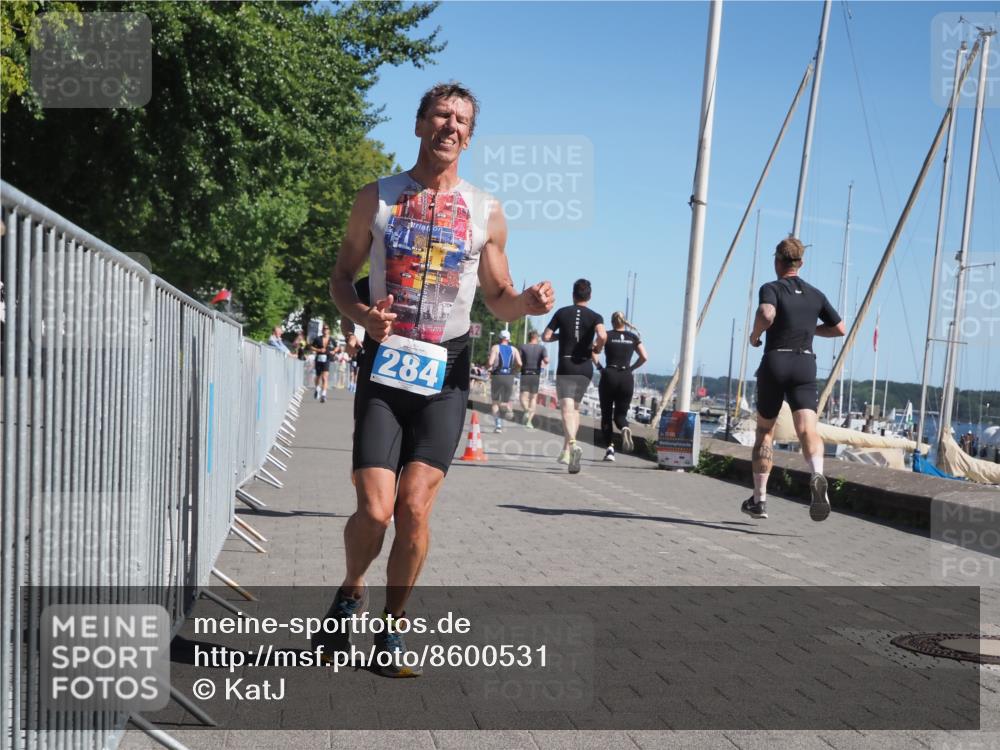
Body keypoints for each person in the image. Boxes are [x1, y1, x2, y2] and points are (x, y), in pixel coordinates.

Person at [326, 82, 554, 676]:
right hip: (386, 365)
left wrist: (525, 304)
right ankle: (351, 588)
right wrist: (360, 317)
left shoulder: (487, 212)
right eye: (441, 116)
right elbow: (341, 278)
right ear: (420, 124)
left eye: (462, 121)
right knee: (375, 511)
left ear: (470, 137)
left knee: (415, 509)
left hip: (446, 373)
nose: (450, 127)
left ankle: (392, 633)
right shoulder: (374, 198)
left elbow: (498, 299)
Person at [744, 237, 845, 522]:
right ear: (801, 263)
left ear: (778, 261)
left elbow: (766, 313)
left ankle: (759, 499)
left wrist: (755, 335)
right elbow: (839, 328)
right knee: (808, 429)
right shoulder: (815, 294)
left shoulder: (772, 287)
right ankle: (816, 475)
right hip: (804, 363)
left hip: (777, 360)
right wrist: (811, 330)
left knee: (765, 431)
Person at [543, 278, 606, 474]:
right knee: (576, 408)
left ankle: (572, 444)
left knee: (566, 409)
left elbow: (546, 336)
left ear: (573, 294)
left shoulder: (562, 313)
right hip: (585, 366)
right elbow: (603, 336)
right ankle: (567, 451)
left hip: (567, 363)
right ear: (590, 296)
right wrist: (597, 347)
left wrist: (561, 336)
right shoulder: (596, 316)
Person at [595, 312, 648, 462]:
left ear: (611, 322)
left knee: (606, 414)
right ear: (624, 322)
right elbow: (644, 357)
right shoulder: (633, 337)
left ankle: (610, 449)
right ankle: (624, 427)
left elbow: (593, 352)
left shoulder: (606, 335)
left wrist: (599, 367)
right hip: (626, 377)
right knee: (620, 416)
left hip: (609, 375)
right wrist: (631, 368)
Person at [487, 329, 521, 432]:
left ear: (500, 338)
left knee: (495, 402)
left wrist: (487, 366)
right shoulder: (514, 349)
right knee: (505, 401)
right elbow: (520, 363)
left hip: (497, 376)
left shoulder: (495, 348)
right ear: (508, 339)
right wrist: (514, 369)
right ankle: (508, 410)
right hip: (509, 377)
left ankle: (498, 425)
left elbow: (490, 362)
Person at [517, 331, 548, 430]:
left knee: (523, 396)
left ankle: (526, 410)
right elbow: (546, 360)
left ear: (529, 337)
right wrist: (543, 363)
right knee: (533, 398)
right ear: (537, 337)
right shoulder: (542, 348)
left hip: (525, 373)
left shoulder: (523, 347)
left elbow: (518, 361)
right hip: (535, 374)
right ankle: (529, 421)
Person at [311, 324, 336, 402]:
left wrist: (334, 351)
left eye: (327, 328)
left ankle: (323, 395)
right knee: (318, 376)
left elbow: (337, 347)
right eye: (324, 329)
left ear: (329, 330)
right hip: (318, 359)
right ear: (322, 330)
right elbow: (311, 347)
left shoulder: (332, 340)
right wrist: (318, 350)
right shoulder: (318, 339)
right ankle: (317, 388)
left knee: (325, 378)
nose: (325, 330)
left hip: (327, 360)